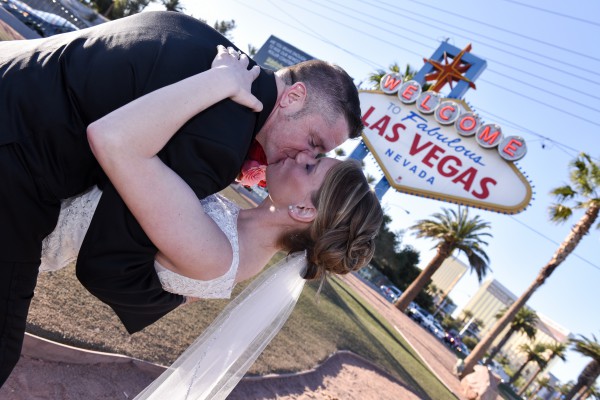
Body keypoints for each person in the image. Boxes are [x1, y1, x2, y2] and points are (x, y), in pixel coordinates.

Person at [0, 11, 362, 384]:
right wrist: (174, 300)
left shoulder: (215, 50)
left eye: (316, 158)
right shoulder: (222, 135)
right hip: (17, 159)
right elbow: (108, 263)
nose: (304, 155)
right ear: (294, 97)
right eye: (314, 143)